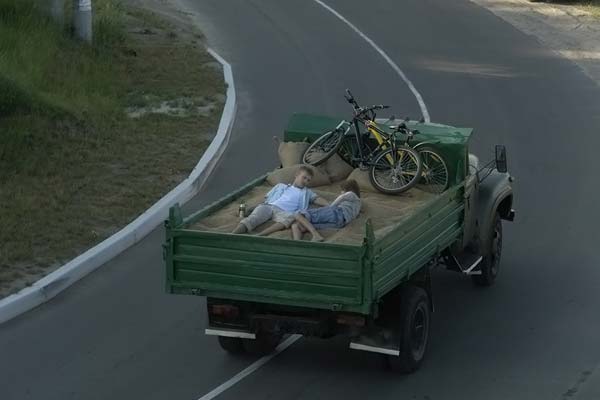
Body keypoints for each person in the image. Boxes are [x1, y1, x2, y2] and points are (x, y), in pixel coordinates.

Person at [232, 165, 329, 236]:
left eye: (308, 180)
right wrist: (254, 207)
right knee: (253, 218)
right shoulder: (280, 186)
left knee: (291, 218)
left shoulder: (307, 192)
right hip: (270, 206)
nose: (305, 181)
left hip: (286, 212)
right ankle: (232, 235)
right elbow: (266, 199)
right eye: (304, 177)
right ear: (297, 175)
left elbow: (317, 198)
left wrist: (329, 204)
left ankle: (261, 235)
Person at [291, 179, 361, 242]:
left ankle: (316, 235)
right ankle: (296, 245)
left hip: (336, 213)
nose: (341, 192)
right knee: (297, 226)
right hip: (340, 223)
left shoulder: (352, 194)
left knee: (298, 214)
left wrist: (331, 206)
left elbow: (342, 197)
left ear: (349, 189)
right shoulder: (358, 204)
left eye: (343, 190)